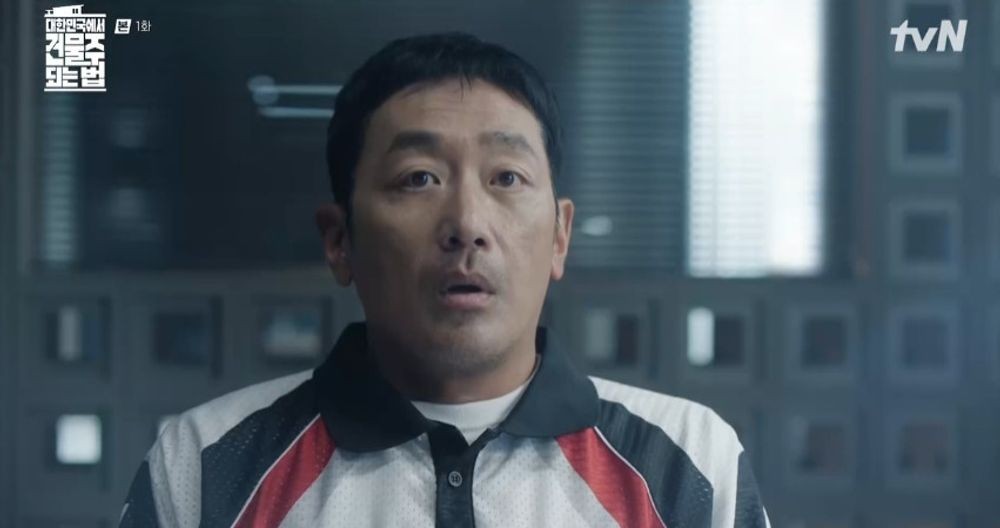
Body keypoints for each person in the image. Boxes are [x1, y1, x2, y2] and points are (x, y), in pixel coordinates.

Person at [119, 32, 771, 528]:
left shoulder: (689, 466)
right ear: (340, 240)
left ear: (559, 235)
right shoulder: (206, 466)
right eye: (419, 179)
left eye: (506, 177)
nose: (467, 224)